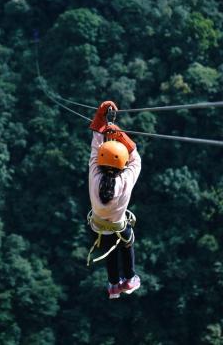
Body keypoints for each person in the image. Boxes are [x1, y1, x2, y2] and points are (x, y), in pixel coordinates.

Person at [87, 101, 142, 299]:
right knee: (125, 241)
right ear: (122, 163)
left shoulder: (95, 173)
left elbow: (96, 145)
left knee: (110, 247)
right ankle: (129, 278)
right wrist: (120, 136)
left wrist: (101, 117)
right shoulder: (125, 180)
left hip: (98, 227)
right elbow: (136, 159)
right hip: (117, 226)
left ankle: (113, 285)